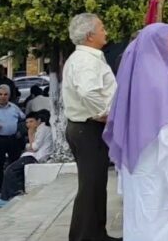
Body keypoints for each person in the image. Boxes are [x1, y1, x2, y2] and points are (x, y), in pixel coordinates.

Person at [103, 23, 168, 241]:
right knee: (161, 218)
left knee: (143, 216)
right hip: (162, 165)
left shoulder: (139, 76)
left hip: (142, 165)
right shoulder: (159, 81)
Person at [62, 13, 120, 241]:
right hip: (88, 128)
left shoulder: (88, 57)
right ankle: (85, 236)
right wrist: (105, 113)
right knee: (90, 185)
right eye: (102, 28)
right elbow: (88, 92)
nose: (105, 32)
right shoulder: (86, 61)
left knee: (95, 184)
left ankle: (96, 232)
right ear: (89, 35)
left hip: (84, 128)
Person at [0, 110, 51, 208]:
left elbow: (34, 147)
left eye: (31, 122)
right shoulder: (39, 129)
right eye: (27, 122)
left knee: (10, 170)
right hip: (32, 155)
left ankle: (8, 196)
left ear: (38, 121)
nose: (28, 124)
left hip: (37, 157)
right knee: (10, 169)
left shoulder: (43, 129)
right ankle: (5, 197)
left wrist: (29, 138)